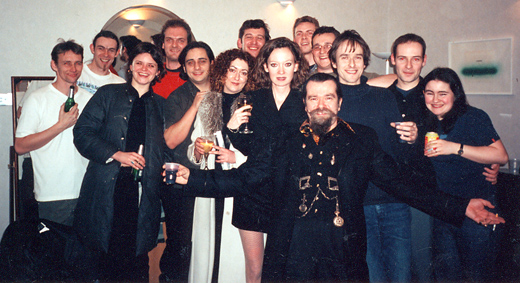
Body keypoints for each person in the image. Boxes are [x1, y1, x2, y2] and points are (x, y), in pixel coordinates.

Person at [173, 73, 504, 282]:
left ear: (339, 102)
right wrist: (194, 181)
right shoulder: (283, 138)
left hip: (343, 255)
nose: (320, 104)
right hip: (290, 253)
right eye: (313, 98)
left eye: (328, 97)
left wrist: (460, 207)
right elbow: (247, 178)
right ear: (304, 104)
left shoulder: (361, 139)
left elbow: (400, 183)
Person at [72, 42, 165, 281]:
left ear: (157, 71)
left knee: (136, 262)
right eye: (139, 63)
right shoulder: (108, 94)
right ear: (130, 67)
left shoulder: (161, 105)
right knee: (103, 259)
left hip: (143, 194)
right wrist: (116, 154)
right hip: (107, 189)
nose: (145, 69)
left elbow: (168, 148)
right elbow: (82, 133)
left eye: (151, 65)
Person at [329, 29, 417, 282]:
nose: (352, 63)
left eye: (358, 57)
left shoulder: (384, 96)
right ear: (333, 62)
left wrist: (411, 138)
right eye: (344, 57)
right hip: (355, 205)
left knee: (401, 274)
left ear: (366, 62)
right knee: (371, 274)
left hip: (394, 201)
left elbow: (397, 151)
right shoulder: (330, 101)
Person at [225, 37, 308, 283]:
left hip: (291, 193)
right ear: (265, 67)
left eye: (287, 64)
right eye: (274, 65)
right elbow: (247, 145)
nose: (280, 71)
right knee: (255, 269)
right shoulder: (253, 98)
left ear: (296, 66)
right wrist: (231, 128)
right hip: (252, 191)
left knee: (284, 269)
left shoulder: (306, 99)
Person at [422, 67, 508, 281]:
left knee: (477, 276)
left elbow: (501, 156)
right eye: (429, 92)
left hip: (478, 208)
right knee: (447, 276)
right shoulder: (424, 121)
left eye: (443, 93)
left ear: (455, 95)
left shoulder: (473, 117)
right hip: (444, 211)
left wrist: (454, 148)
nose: (435, 99)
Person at [183, 48, 255, 282]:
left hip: (238, 185)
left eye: (243, 72)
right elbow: (195, 144)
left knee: (231, 257)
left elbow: (263, 154)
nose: (237, 76)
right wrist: (196, 150)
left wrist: (238, 158)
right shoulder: (208, 101)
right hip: (208, 182)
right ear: (222, 71)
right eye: (232, 70)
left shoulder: (253, 105)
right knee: (207, 253)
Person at [14, 39, 90, 226]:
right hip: (53, 196)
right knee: (55, 253)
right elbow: (20, 146)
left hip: (88, 192)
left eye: (78, 62)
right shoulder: (37, 99)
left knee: (85, 254)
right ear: (54, 65)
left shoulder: (90, 99)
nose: (73, 68)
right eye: (67, 63)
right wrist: (60, 126)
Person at [160, 41, 215, 282]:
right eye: (190, 62)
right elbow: (170, 141)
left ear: (211, 63)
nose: (197, 66)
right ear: (184, 66)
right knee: (181, 246)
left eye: (202, 60)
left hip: (215, 179)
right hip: (183, 183)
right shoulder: (178, 96)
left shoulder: (225, 91)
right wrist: (194, 106)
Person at [152, 18, 193, 98]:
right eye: (169, 40)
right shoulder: (152, 73)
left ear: (188, 45)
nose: (174, 45)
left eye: (180, 40)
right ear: (163, 44)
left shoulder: (194, 76)